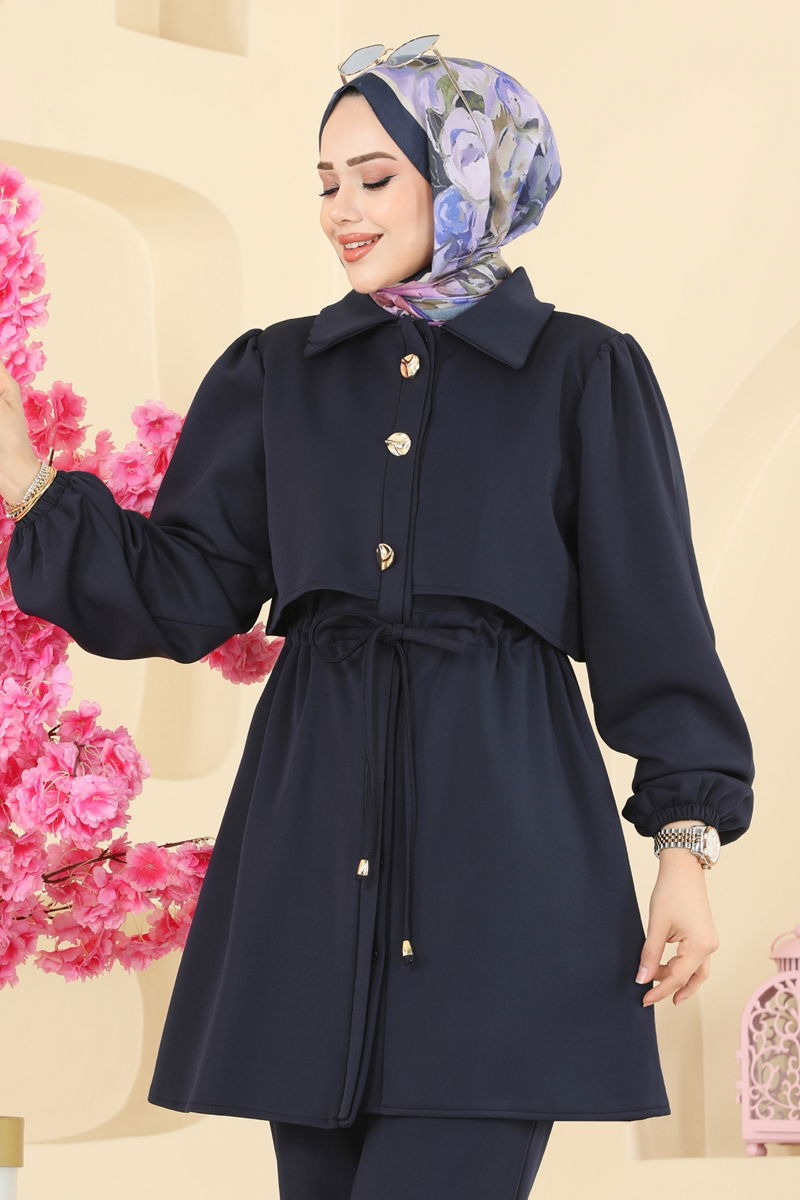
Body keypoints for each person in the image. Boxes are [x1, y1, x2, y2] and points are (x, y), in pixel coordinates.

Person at [0, 40, 755, 1200]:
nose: (339, 212)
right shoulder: (275, 374)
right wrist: (28, 480)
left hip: (504, 867)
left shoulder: (580, 372)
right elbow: (184, 592)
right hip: (308, 854)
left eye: (373, 178)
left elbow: (653, 626)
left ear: (463, 181)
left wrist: (682, 854)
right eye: (324, 183)